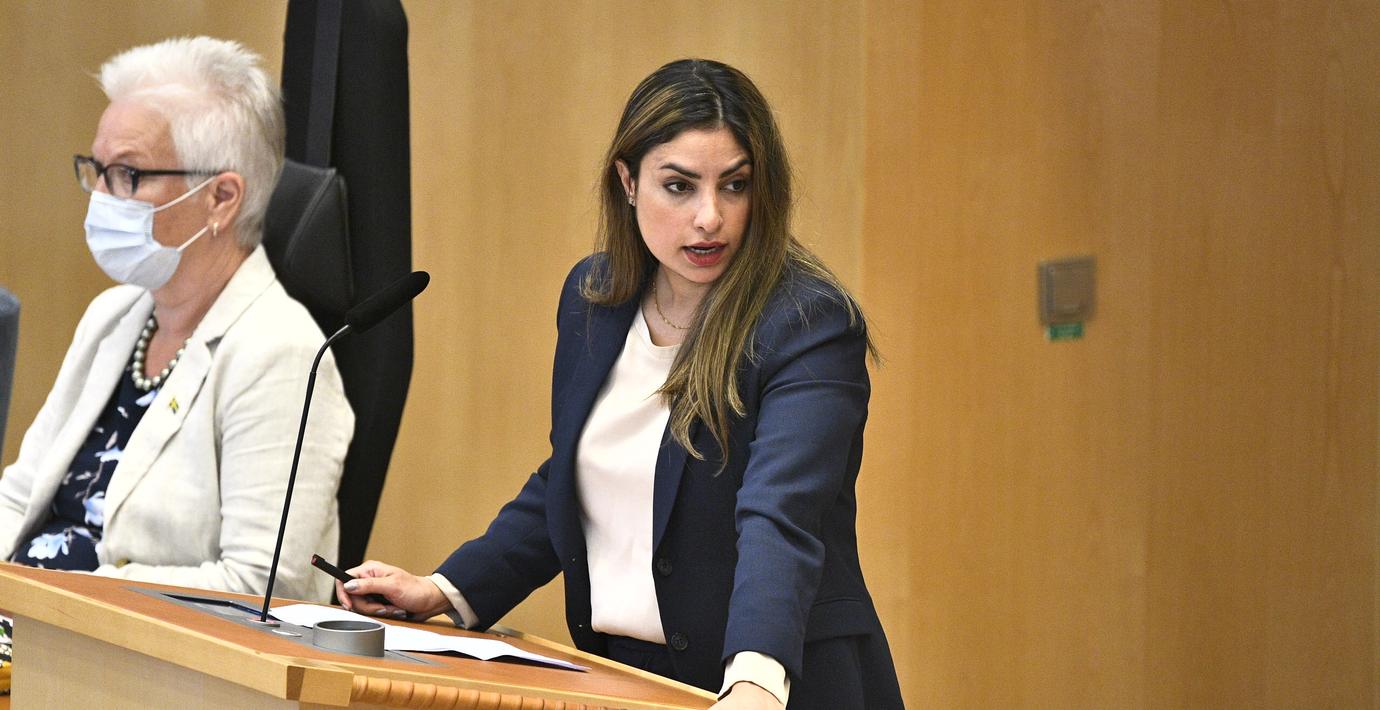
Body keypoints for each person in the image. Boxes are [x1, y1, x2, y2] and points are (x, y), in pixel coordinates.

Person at [337, 59, 902, 709]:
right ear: (628, 182)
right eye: (679, 186)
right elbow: (576, 478)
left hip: (776, 681)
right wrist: (445, 588)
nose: (710, 217)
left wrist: (755, 678)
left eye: (735, 185)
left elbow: (781, 513)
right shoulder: (594, 299)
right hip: (627, 677)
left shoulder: (806, 324)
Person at [0, 36, 353, 603]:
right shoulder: (114, 314)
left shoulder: (281, 354)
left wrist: (66, 603)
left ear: (221, 198)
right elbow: (19, 498)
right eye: (97, 169)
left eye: (128, 174)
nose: (101, 196)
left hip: (109, 643)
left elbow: (260, 584)